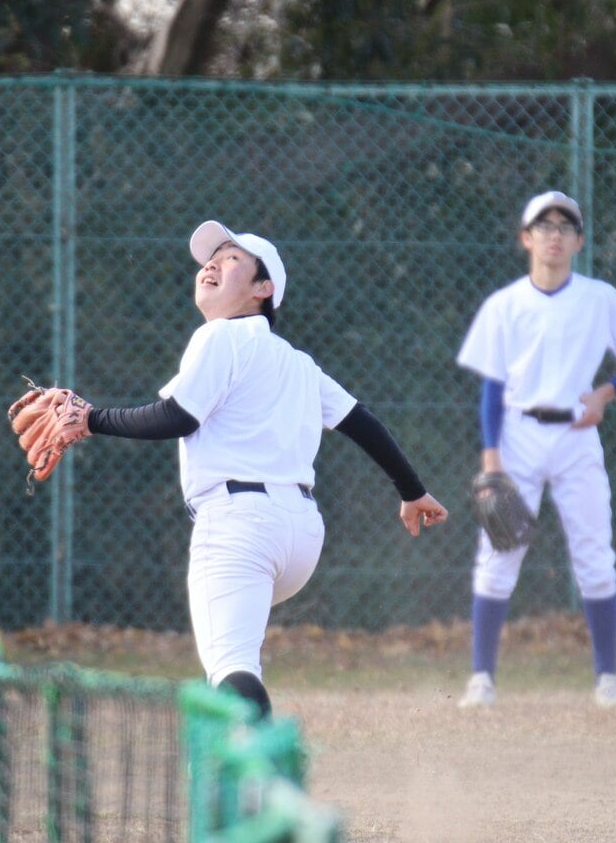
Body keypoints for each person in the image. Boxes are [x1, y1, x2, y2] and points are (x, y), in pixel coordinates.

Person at [41, 220, 448, 719]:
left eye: (232, 259)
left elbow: (177, 417)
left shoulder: (219, 339)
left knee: (232, 671)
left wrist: (91, 419)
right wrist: (411, 491)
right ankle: (241, 775)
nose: (211, 264)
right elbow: (361, 422)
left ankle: (262, 782)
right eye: (210, 258)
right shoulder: (295, 361)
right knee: (235, 660)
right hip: (300, 534)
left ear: (264, 289)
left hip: (239, 525)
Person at [455, 191, 616, 709]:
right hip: (518, 435)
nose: (553, 234)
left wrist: (607, 391)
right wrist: (490, 455)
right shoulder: (504, 305)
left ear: (579, 241)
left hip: (576, 433)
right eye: (542, 225)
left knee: (594, 555)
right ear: (526, 238)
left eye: (565, 226)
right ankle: (481, 678)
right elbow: (492, 387)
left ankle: (608, 678)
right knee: (498, 554)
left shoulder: (598, 298)